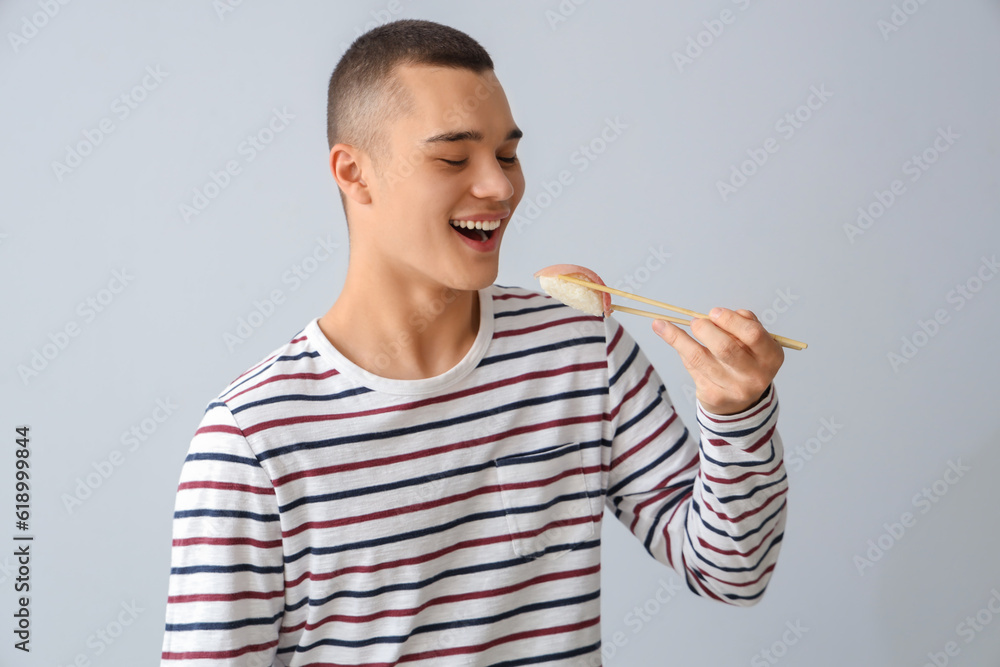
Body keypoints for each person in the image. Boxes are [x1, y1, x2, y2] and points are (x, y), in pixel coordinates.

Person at [160, 18, 789, 666]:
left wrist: (736, 413)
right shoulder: (249, 442)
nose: (501, 186)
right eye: (454, 157)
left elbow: (733, 569)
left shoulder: (582, 350)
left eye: (508, 154)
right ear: (355, 173)